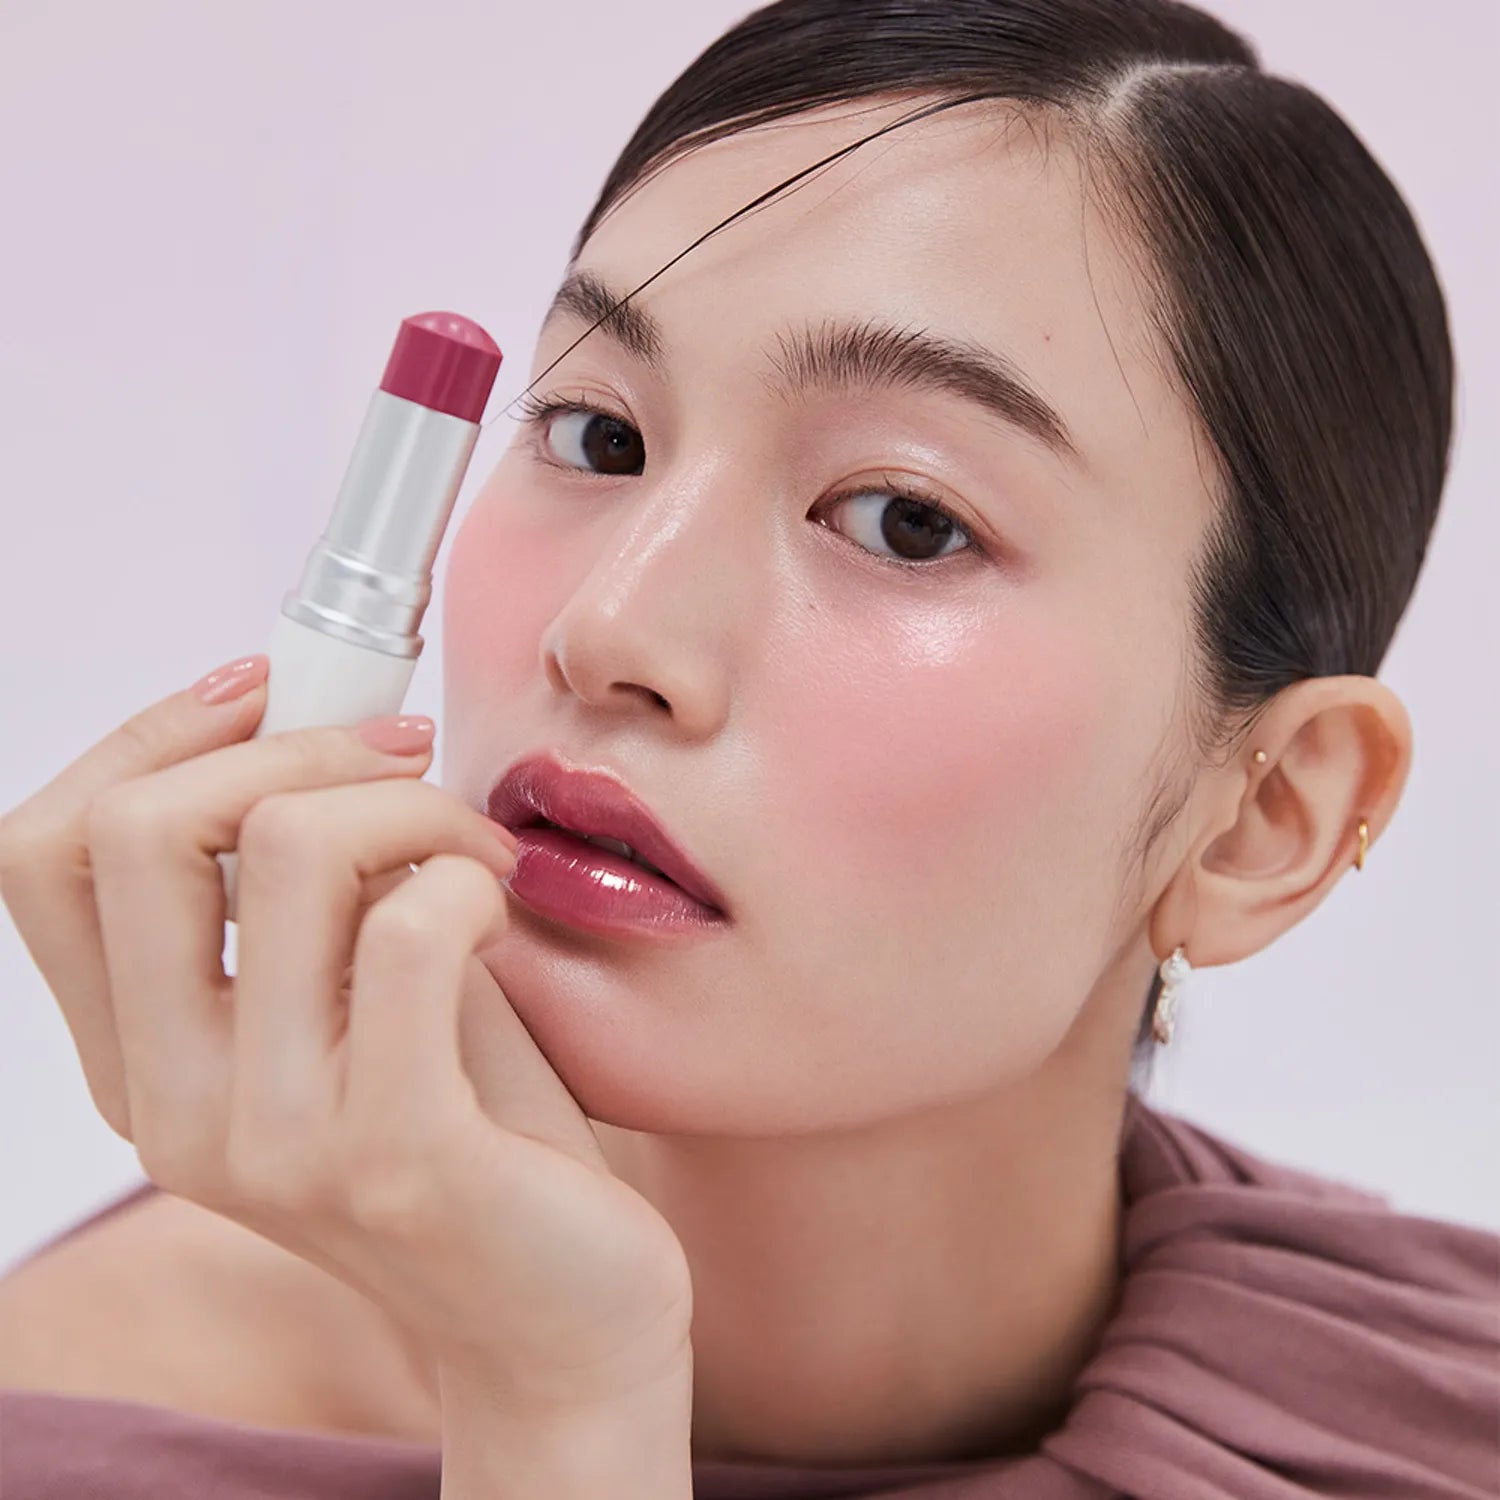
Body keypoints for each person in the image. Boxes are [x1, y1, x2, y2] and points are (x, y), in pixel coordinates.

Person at [0, 0, 1494, 1496]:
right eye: (597, 435)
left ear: (1266, 821)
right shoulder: (69, 1424)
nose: (610, 628)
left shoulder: (1430, 1418)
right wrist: (562, 1394)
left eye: (907, 520)